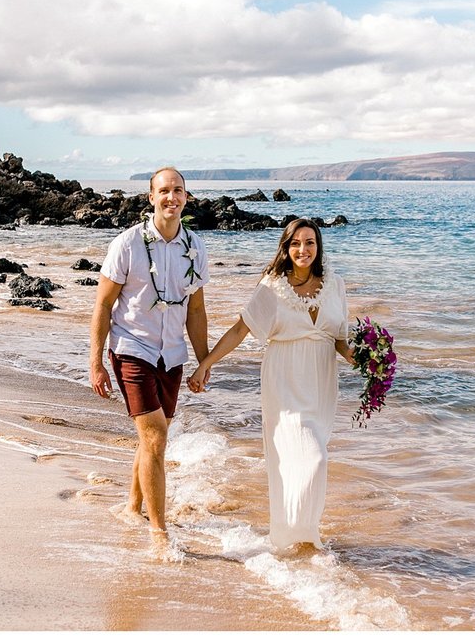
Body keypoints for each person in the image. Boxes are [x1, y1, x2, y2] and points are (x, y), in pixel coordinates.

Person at [187, 218, 352, 552]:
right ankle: (291, 532)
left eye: (309, 242)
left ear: (318, 246)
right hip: (285, 377)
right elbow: (240, 330)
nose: (303, 250)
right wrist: (206, 363)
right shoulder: (273, 286)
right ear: (285, 247)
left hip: (321, 380)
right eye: (295, 243)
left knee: (309, 456)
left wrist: (364, 360)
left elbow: (340, 339)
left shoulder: (335, 284)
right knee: (312, 457)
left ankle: (303, 534)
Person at [89, 167, 209, 553]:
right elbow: (104, 304)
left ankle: (132, 507)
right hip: (132, 348)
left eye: (178, 191)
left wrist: (202, 361)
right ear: (150, 197)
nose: (171, 198)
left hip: (172, 355)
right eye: (163, 191)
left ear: (186, 198)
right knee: (156, 438)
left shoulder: (196, 247)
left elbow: (196, 311)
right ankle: (159, 533)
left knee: (152, 439)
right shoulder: (127, 244)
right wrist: (96, 362)